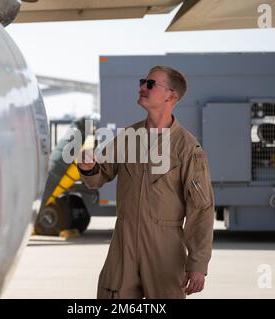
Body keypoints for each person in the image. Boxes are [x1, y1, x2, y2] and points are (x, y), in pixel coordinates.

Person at [77, 65, 215, 299]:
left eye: (150, 84)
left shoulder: (187, 147)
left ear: (170, 95)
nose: (142, 87)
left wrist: (198, 263)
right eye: (143, 81)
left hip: (164, 248)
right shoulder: (128, 138)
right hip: (124, 243)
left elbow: (201, 209)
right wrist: (88, 168)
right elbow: (98, 177)